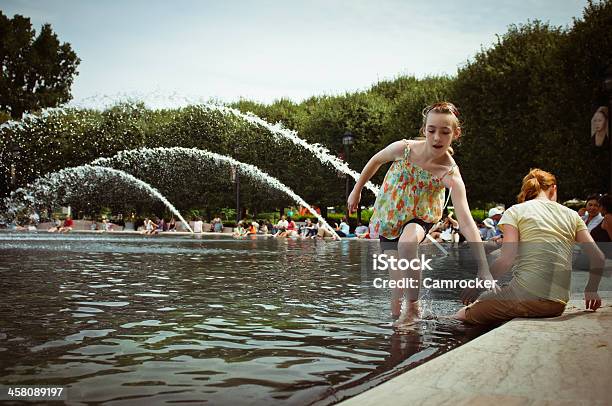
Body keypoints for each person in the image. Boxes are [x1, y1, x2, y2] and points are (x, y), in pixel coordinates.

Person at [348, 101, 493, 322]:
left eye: (445, 132)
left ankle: (414, 308)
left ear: (456, 133)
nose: (437, 138)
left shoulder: (450, 173)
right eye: (431, 130)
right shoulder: (404, 149)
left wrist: (483, 267)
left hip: (419, 218)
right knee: (397, 291)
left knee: (408, 243)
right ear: (424, 130)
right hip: (389, 218)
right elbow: (376, 160)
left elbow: (466, 221)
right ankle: (399, 328)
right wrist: (356, 191)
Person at [455, 169, 605, 325]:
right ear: (553, 188)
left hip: (524, 297)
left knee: (461, 316)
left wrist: (476, 286)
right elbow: (598, 257)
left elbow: (506, 260)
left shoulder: (515, 211)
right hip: (557, 304)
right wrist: (591, 290)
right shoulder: (573, 215)